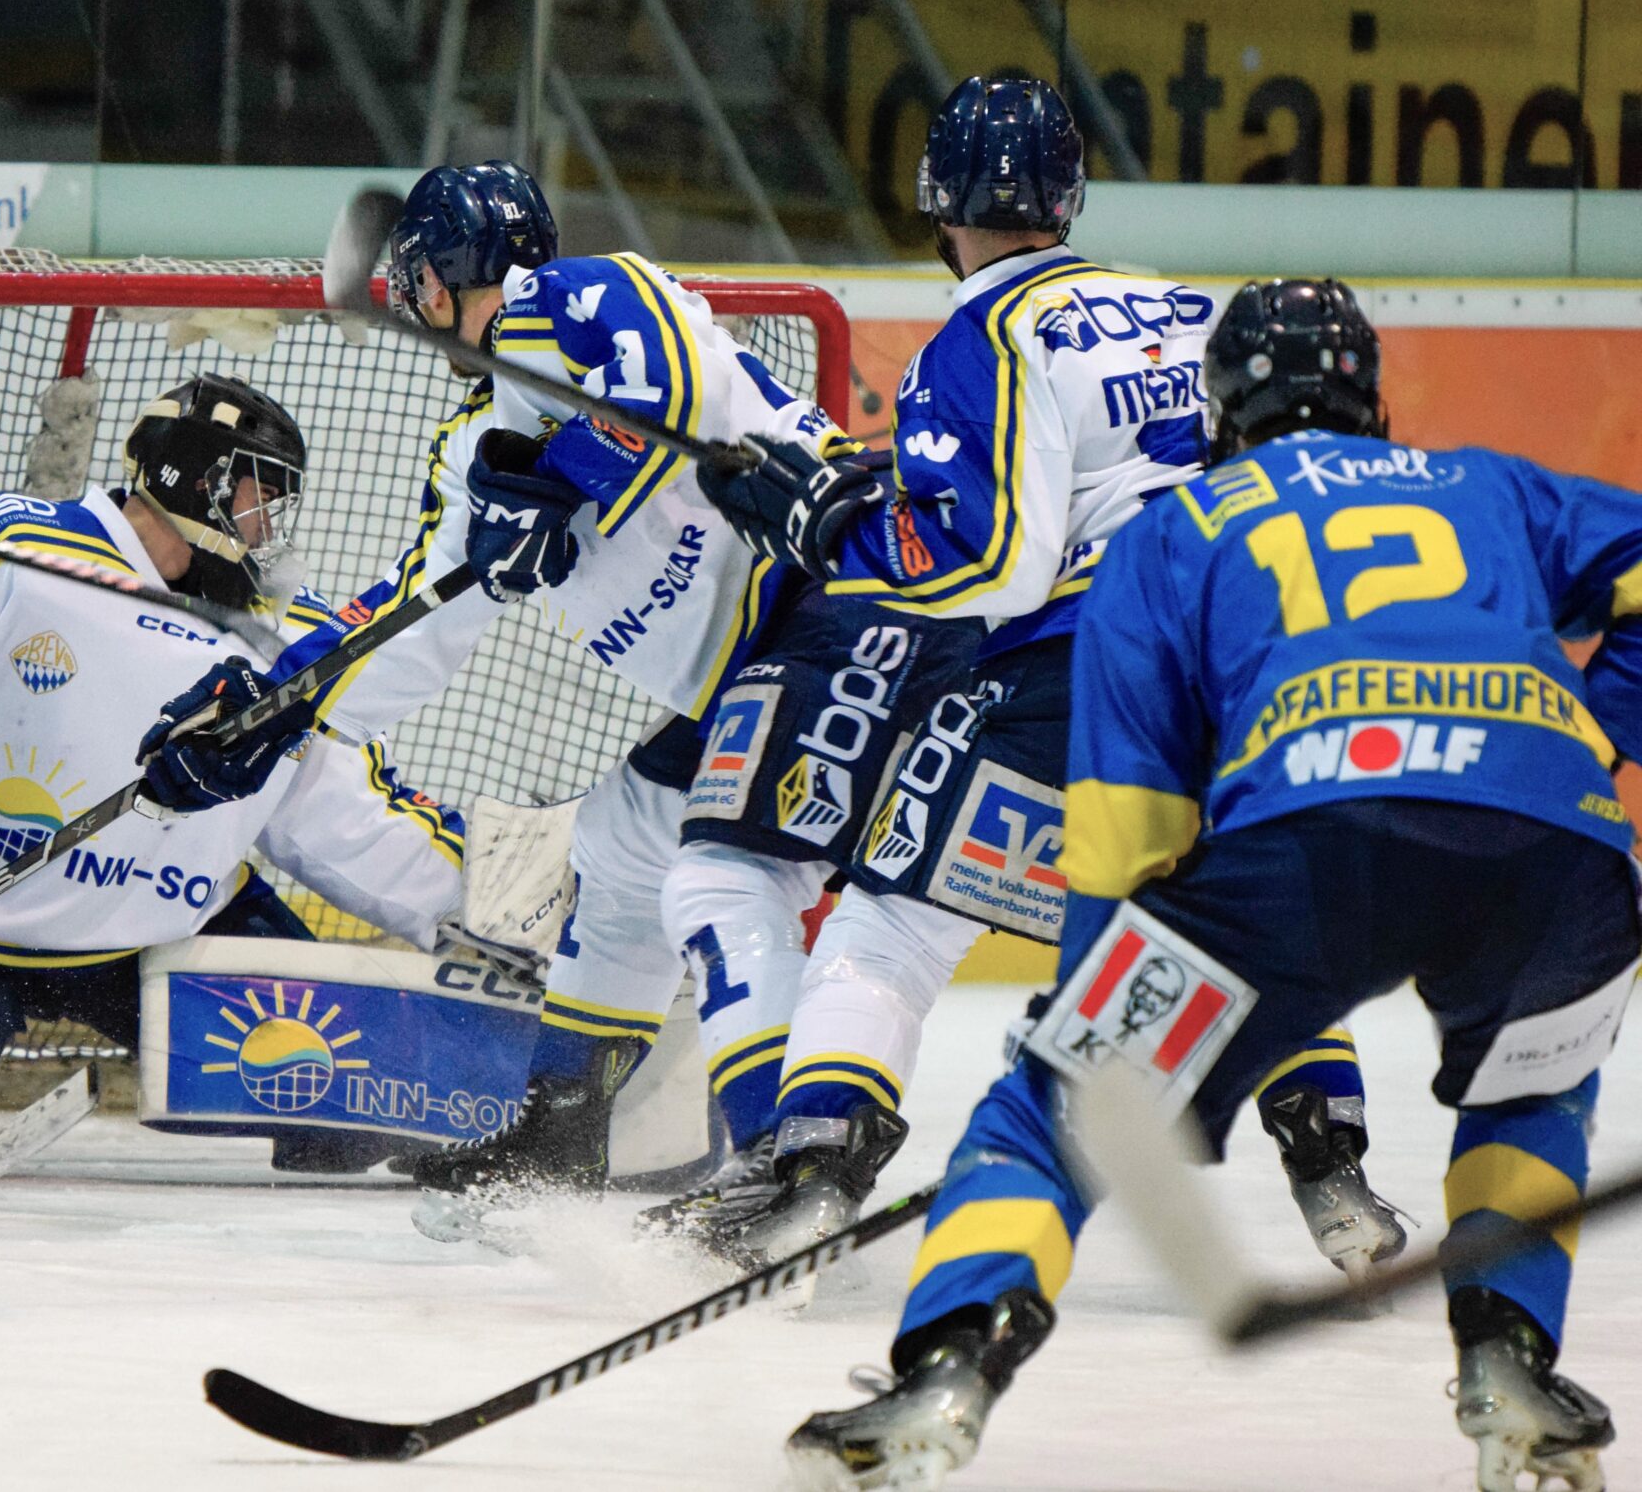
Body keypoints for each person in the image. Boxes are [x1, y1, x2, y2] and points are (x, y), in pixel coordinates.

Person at [780, 277, 1639, 1492]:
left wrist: (1086, 1027)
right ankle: (1509, 1361)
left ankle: (945, 1374)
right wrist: (1595, 738)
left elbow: (1124, 827)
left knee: (1053, 1104)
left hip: (1312, 838)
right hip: (1558, 849)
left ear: (1218, 412)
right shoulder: (1485, 484)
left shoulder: (1171, 531)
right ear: (1373, 400)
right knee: (1530, 1089)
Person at [135, 162, 965, 1230]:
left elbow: (666, 397)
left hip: (843, 602)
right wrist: (275, 709)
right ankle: (561, 1126)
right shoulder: (478, 448)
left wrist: (567, 470)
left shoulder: (582, 297)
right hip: (753, 674)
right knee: (619, 855)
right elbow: (416, 625)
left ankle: (785, 1156)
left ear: (436, 281)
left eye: (416, 282)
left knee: (721, 873)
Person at [693, 77, 1399, 1274]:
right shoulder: (1177, 308)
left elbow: (1000, 565)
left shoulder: (977, 339)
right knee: (1245, 915)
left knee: (887, 923)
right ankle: (1335, 1178)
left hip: (1081, 672)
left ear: (935, 200)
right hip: (1240, 669)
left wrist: (833, 533)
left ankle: (812, 1175)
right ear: (1068, 196)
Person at [0, 373, 466, 1154]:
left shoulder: (285, 635)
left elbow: (345, 818)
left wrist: (482, 916)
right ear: (199, 481)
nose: (268, 527)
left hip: (163, 933)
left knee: (382, 1104)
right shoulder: (8, 548)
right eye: (259, 497)